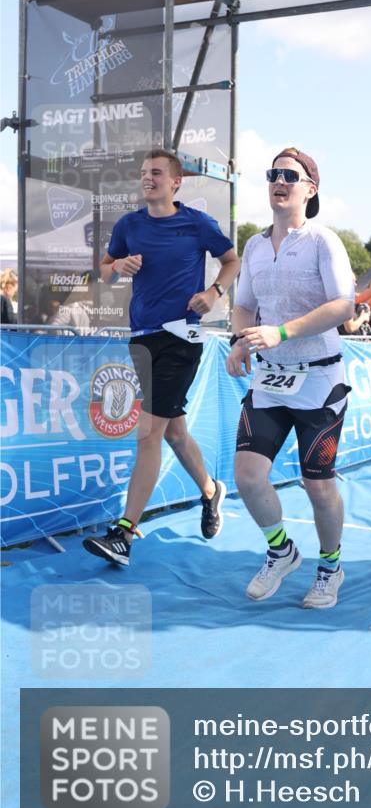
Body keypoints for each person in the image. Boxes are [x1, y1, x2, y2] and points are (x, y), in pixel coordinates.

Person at [83, 148, 240, 565]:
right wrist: (119, 266)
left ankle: (124, 533)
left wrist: (214, 292)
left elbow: (231, 260)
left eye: (155, 172)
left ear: (175, 182)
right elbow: (103, 270)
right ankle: (211, 490)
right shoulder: (129, 225)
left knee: (148, 432)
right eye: (143, 172)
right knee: (173, 433)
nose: (147, 178)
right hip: (142, 339)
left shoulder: (197, 223)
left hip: (181, 339)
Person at [225, 146, 355, 610]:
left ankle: (330, 566)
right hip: (270, 379)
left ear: (310, 189)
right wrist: (240, 341)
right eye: (273, 174)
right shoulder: (255, 245)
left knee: (318, 484)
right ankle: (281, 551)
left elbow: (344, 306)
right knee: (247, 477)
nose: (279, 182)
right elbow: (244, 304)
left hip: (319, 381)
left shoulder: (323, 241)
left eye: (290, 176)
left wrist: (281, 332)